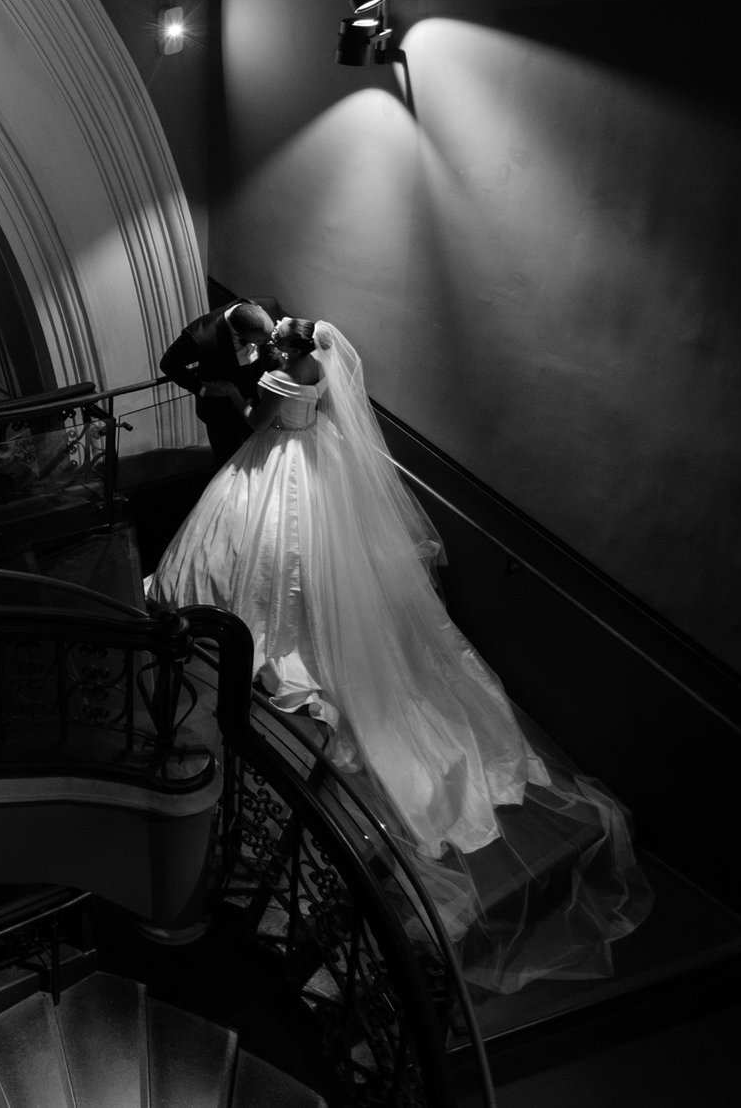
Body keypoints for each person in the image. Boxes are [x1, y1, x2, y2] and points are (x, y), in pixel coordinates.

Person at [150, 317, 650, 992]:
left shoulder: (281, 377)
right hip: (309, 474)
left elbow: (257, 417)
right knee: (309, 583)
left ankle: (267, 639)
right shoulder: (319, 370)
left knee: (269, 580)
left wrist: (241, 392)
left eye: (278, 338)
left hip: (274, 467)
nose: (272, 341)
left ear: (287, 347)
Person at [159, 298, 284, 462]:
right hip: (222, 414)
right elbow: (168, 364)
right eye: (261, 341)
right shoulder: (200, 336)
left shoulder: (268, 307)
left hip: (258, 405)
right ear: (239, 333)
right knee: (228, 463)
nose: (268, 342)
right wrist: (202, 388)